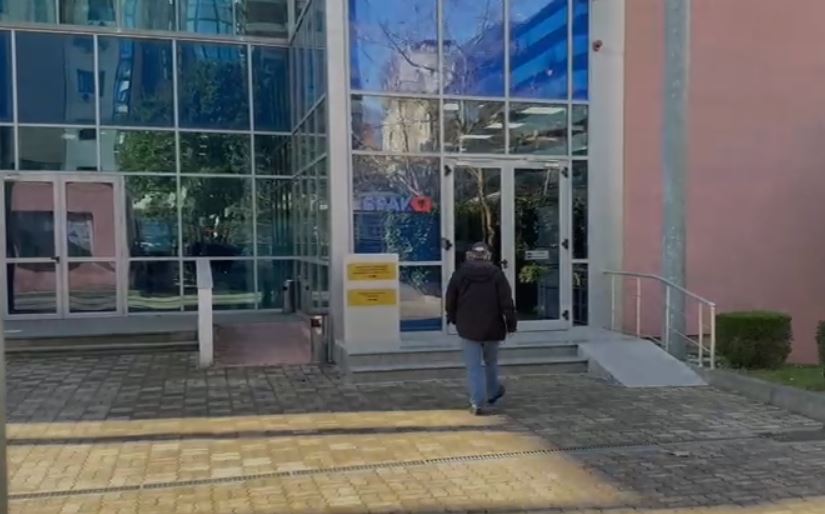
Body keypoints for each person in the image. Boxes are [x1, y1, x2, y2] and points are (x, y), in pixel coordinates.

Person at [445, 242, 517, 415]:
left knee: (474, 366)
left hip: (468, 326)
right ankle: (492, 392)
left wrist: (453, 318)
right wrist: (511, 324)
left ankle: (477, 402)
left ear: (470, 255)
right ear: (487, 256)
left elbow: (450, 300)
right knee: (491, 362)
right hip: (493, 326)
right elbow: (507, 302)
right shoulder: (497, 274)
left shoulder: (459, 274)